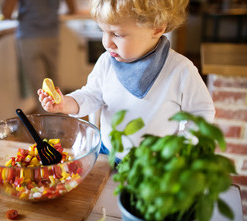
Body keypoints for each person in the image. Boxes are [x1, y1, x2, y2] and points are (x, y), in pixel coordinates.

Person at [38, 0, 215, 161]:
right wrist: (65, 103)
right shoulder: (106, 61)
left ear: (156, 28)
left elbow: (202, 111)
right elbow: (91, 95)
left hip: (154, 162)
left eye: (117, 34)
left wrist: (181, 147)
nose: (107, 43)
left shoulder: (180, 70)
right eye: (103, 31)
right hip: (108, 153)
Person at [2, 0, 76, 113]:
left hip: (29, 37)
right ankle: (61, 122)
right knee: (54, 81)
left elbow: (6, 12)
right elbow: (72, 7)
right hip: (51, 35)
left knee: (41, 88)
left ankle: (50, 127)